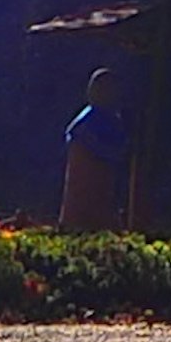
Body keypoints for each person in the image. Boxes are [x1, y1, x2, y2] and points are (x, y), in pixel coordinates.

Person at [57, 62, 132, 231]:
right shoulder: (90, 118)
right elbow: (79, 136)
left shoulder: (111, 118)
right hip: (87, 187)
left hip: (104, 186)